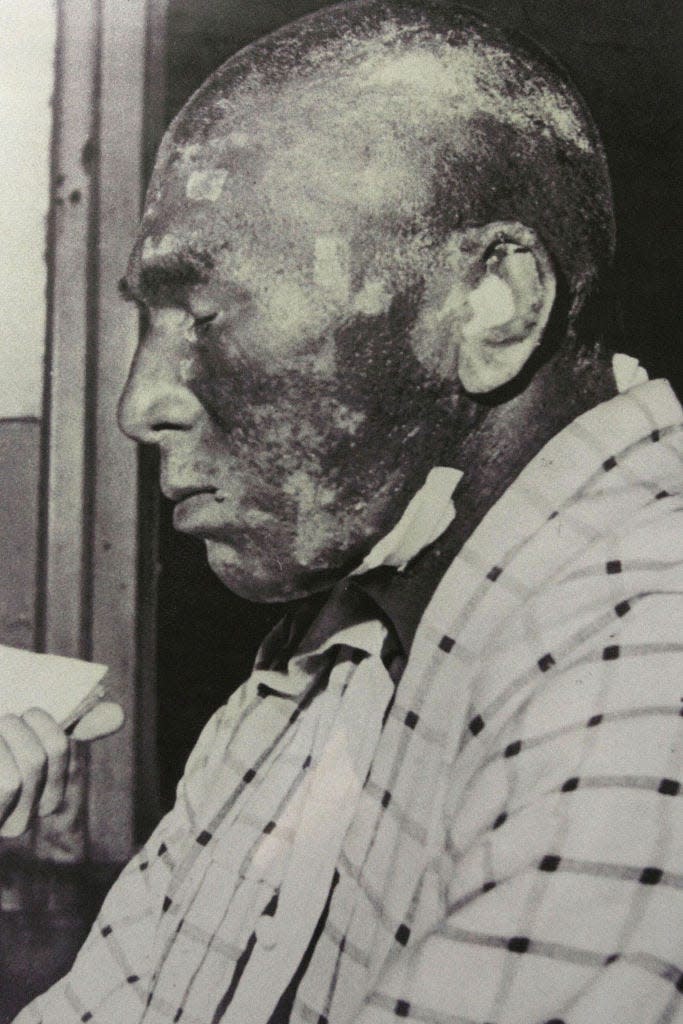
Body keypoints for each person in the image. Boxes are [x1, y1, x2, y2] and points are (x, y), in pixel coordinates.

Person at [15, 1, 683, 1021]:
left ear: (492, 304)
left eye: (202, 311)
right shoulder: (343, 631)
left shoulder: (649, 643)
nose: (138, 405)